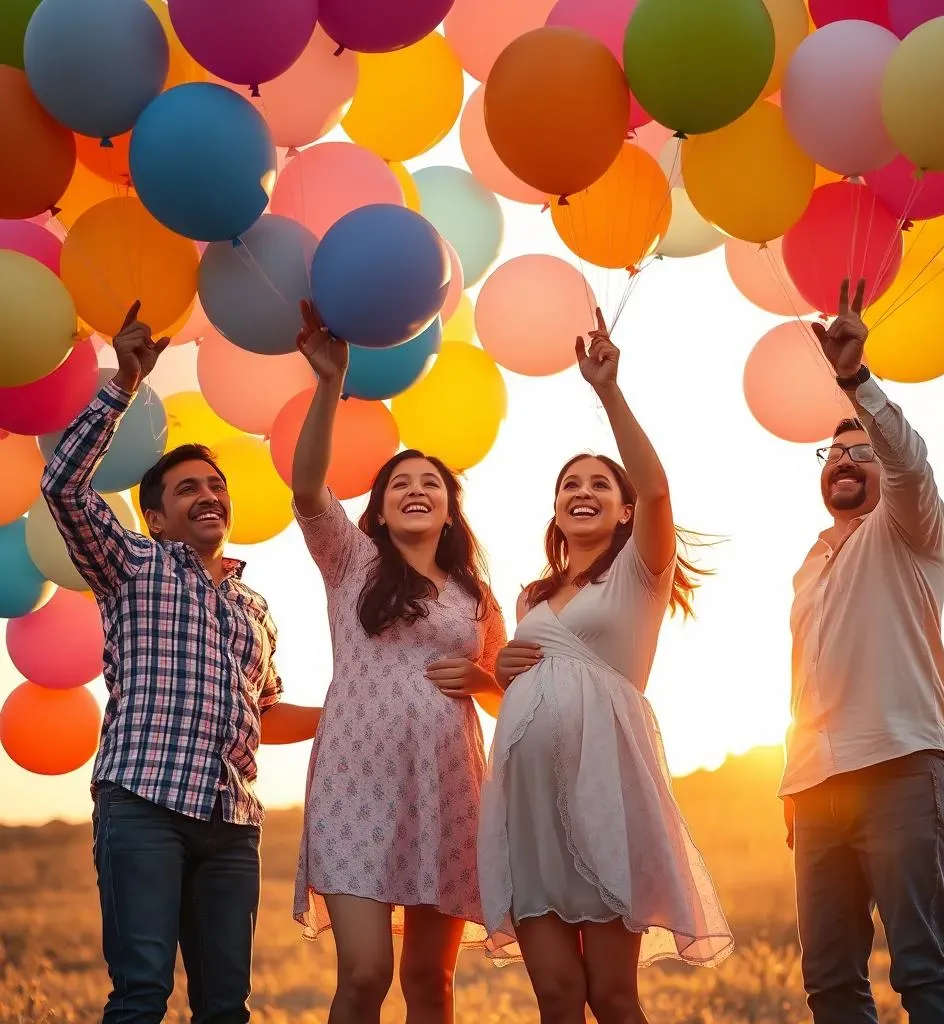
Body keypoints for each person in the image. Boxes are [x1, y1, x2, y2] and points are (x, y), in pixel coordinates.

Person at [40, 302, 321, 1024]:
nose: (209, 494)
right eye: (188, 488)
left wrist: (348, 711)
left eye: (215, 485)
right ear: (157, 517)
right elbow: (64, 488)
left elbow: (266, 716)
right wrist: (124, 384)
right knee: (142, 996)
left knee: (227, 1007)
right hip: (144, 806)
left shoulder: (254, 608)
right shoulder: (132, 564)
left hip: (232, 823)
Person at [477, 310, 734, 1024]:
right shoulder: (530, 595)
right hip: (527, 807)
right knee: (557, 995)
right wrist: (499, 669)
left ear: (623, 512)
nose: (582, 491)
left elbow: (658, 492)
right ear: (555, 512)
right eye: (569, 486)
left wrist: (608, 390)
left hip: (605, 800)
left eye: (599, 484)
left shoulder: (640, 576)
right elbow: (525, 687)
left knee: (612, 995)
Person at [288, 301, 507, 1024]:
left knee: (429, 983)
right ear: (377, 510)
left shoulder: (477, 597)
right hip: (357, 783)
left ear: (450, 511)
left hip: (445, 791)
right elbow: (308, 488)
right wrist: (330, 384)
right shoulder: (350, 561)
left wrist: (480, 681)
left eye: (431, 484)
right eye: (399, 484)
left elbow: (510, 695)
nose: (416, 489)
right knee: (365, 976)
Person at [781, 279, 944, 1023]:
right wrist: (794, 787)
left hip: (899, 772)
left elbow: (909, 462)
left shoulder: (911, 530)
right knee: (829, 982)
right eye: (833, 453)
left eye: (860, 447)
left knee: (919, 970)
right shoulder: (810, 565)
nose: (845, 459)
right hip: (814, 790)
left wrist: (857, 384)